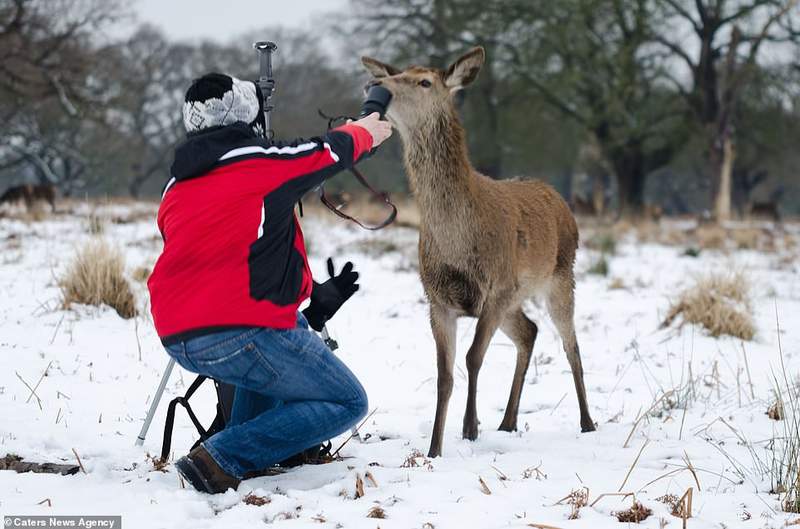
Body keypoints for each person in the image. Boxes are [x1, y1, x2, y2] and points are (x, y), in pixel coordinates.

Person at [146, 72, 392, 493]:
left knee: (277, 339)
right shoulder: (258, 164)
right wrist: (369, 125)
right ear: (248, 118)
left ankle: (238, 454)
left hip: (176, 333)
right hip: (239, 331)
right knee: (348, 401)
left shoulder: (175, 187)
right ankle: (221, 457)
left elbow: (238, 257)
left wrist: (312, 301)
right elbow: (329, 150)